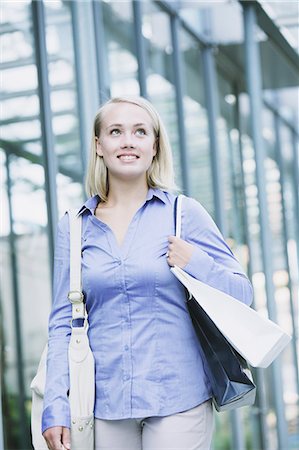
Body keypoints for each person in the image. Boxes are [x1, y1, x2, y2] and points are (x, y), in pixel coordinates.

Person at [42, 96, 253, 450]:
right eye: (115, 131)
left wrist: (196, 263)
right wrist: (55, 403)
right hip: (105, 404)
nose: (128, 141)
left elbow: (242, 296)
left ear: (154, 146)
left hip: (179, 398)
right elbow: (63, 322)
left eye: (140, 131)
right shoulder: (75, 227)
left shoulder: (184, 214)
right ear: (99, 145)